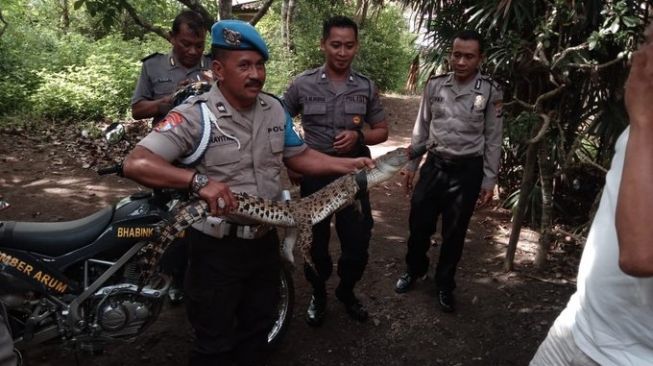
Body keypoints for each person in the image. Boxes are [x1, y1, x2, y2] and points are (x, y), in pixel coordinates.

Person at [123, 19, 374, 366]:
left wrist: (349, 166)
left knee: (257, 336)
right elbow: (137, 163)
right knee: (215, 345)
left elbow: (298, 155)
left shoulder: (273, 109)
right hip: (215, 250)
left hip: (264, 245)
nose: (255, 74)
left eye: (259, 65)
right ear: (218, 69)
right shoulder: (195, 115)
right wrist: (197, 183)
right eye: (244, 65)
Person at [530, 33, 653, 366]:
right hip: (579, 322)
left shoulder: (643, 121)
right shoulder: (641, 125)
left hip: (629, 357)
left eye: (650, 42)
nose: (638, 57)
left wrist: (643, 121)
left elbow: (640, 257)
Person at [282, 15, 389, 327]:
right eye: (336, 45)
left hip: (354, 176)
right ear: (323, 45)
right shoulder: (302, 84)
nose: (342, 52)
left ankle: (346, 290)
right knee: (314, 244)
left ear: (356, 47)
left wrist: (359, 137)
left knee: (357, 241)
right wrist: (292, 159)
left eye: (349, 46)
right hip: (315, 174)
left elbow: (381, 131)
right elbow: (279, 120)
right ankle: (318, 293)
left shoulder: (366, 87)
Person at [394, 30, 503, 313]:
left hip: (467, 172)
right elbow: (421, 129)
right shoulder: (435, 86)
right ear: (450, 55)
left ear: (480, 58)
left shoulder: (490, 91)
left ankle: (445, 284)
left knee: (454, 233)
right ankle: (414, 270)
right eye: (457, 54)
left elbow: (493, 138)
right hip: (434, 166)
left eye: (469, 56)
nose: (462, 61)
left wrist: (489, 179)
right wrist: (410, 166)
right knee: (418, 224)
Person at [130, 9, 212, 303]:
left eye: (198, 45)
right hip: (167, 159)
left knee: (205, 217)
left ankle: (202, 276)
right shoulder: (154, 67)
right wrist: (166, 103)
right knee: (169, 219)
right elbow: (137, 109)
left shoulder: (215, 66)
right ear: (172, 37)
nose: (192, 51)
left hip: (206, 156)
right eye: (185, 44)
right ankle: (175, 279)